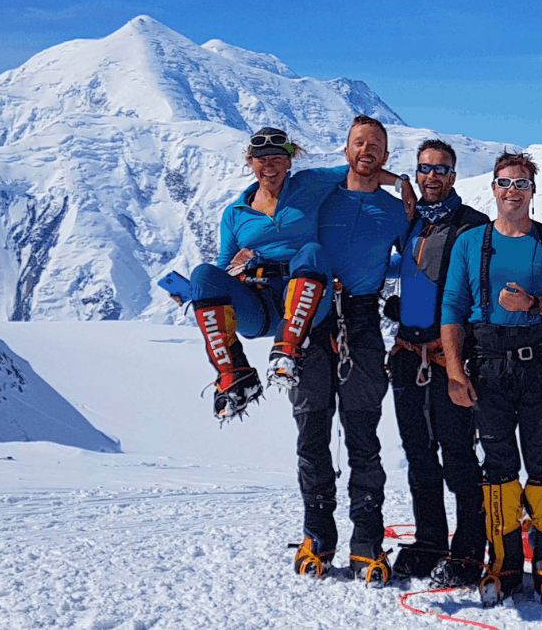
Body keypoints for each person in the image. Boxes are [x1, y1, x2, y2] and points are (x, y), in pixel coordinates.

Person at [439, 152, 542, 604]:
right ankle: (502, 566)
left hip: (538, 365)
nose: (512, 191)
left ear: (532, 190)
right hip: (486, 365)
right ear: (493, 188)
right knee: (498, 467)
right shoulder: (471, 242)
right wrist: (453, 369)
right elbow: (451, 307)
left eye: (521, 183)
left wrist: (535, 305)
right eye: (504, 183)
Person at [176, 126, 404, 421]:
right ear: (250, 161)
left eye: (276, 159)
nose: (269, 167)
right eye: (262, 160)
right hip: (260, 305)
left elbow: (360, 170)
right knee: (202, 274)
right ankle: (234, 376)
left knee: (312, 251)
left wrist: (401, 183)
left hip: (306, 300)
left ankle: (287, 353)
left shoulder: (309, 184)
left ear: (289, 161)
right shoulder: (235, 213)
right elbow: (221, 269)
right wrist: (195, 292)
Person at [289, 115, 415, 582]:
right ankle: (317, 537)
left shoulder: (397, 210)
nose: (366, 149)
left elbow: (419, 260)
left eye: (375, 145)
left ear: (384, 155)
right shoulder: (320, 197)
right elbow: (277, 225)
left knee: (363, 438)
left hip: (361, 319)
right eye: (358, 142)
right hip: (312, 316)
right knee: (311, 433)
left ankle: (367, 543)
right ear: (346, 151)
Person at [384, 140, 491, 585]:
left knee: (459, 456)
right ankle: (430, 541)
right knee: (419, 455)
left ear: (453, 175)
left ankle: (469, 550)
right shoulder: (409, 221)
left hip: (450, 358)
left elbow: (475, 293)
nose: (432, 177)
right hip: (408, 355)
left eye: (441, 169)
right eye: (424, 168)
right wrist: (403, 308)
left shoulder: (472, 226)